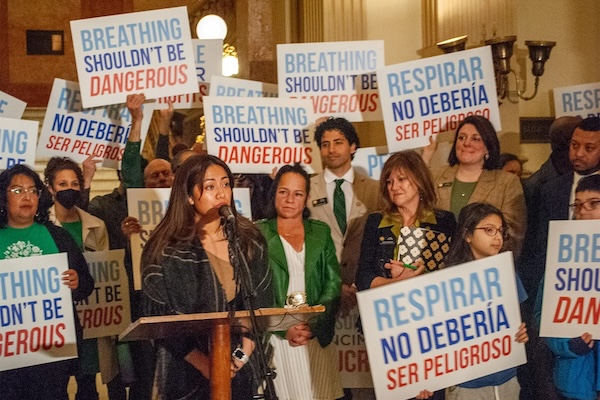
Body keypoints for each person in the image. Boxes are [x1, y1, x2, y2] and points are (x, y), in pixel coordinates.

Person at [141, 155, 272, 399]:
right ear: (189, 196)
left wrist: (239, 358)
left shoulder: (250, 241)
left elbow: (263, 304)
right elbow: (157, 315)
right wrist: (204, 364)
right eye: (210, 186)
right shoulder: (163, 249)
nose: (221, 193)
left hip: (241, 372)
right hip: (184, 374)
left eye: (226, 184)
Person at [355, 151, 455, 400]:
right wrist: (395, 283)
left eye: (401, 179)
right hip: (388, 326)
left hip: (431, 328)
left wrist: (418, 279)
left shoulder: (444, 221)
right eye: (389, 181)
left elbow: (452, 277)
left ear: (419, 180)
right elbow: (363, 277)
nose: (393, 187)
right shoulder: (375, 221)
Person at [0, 164, 94, 400]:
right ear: (3, 196)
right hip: (7, 356)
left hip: (52, 354)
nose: (27, 197)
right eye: (18, 191)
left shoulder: (58, 236)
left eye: (33, 190)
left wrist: (76, 282)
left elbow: (86, 284)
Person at [256, 164, 343, 400]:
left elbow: (333, 285)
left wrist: (312, 326)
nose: (289, 199)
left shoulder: (321, 232)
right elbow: (255, 290)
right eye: (283, 192)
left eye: (298, 194)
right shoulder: (257, 234)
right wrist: (285, 327)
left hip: (314, 334)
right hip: (277, 337)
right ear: (274, 193)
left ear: (306, 198)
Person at [43, 157, 127, 400]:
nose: (68, 189)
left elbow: (104, 271)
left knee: (88, 383)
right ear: (50, 188)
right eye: (62, 184)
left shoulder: (97, 225)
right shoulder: (42, 227)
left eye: (74, 184)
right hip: (57, 321)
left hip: (92, 318)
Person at [444, 202, 528, 400]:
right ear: (467, 235)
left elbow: (516, 320)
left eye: (500, 231)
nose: (497, 237)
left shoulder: (508, 273)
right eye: (489, 230)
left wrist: (521, 332)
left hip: (507, 380)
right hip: (466, 385)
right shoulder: (448, 281)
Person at [533, 174, 600, 400]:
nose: (583, 211)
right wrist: (567, 345)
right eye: (578, 205)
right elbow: (542, 316)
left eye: (593, 204)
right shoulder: (563, 255)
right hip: (575, 379)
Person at [423, 115, 526, 257]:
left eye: (475, 139)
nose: (466, 143)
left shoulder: (506, 182)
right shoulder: (436, 175)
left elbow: (512, 235)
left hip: (484, 269)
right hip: (439, 266)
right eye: (461, 138)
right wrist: (426, 157)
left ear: (488, 147)